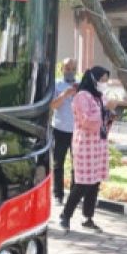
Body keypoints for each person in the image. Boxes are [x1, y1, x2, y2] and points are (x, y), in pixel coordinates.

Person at [60, 66, 120, 234]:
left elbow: (102, 123)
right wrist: (105, 111)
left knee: (94, 183)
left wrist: (110, 116)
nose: (104, 83)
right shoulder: (81, 97)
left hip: (98, 145)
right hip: (85, 145)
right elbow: (86, 121)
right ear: (93, 79)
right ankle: (65, 215)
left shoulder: (98, 97)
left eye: (106, 80)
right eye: (102, 80)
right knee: (82, 184)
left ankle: (88, 218)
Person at [50, 58, 79, 203]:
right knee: (58, 163)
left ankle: (74, 196)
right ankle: (58, 195)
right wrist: (64, 95)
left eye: (73, 69)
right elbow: (53, 105)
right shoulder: (56, 84)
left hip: (77, 131)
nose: (70, 72)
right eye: (67, 68)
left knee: (77, 165)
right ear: (62, 69)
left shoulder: (80, 85)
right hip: (60, 129)